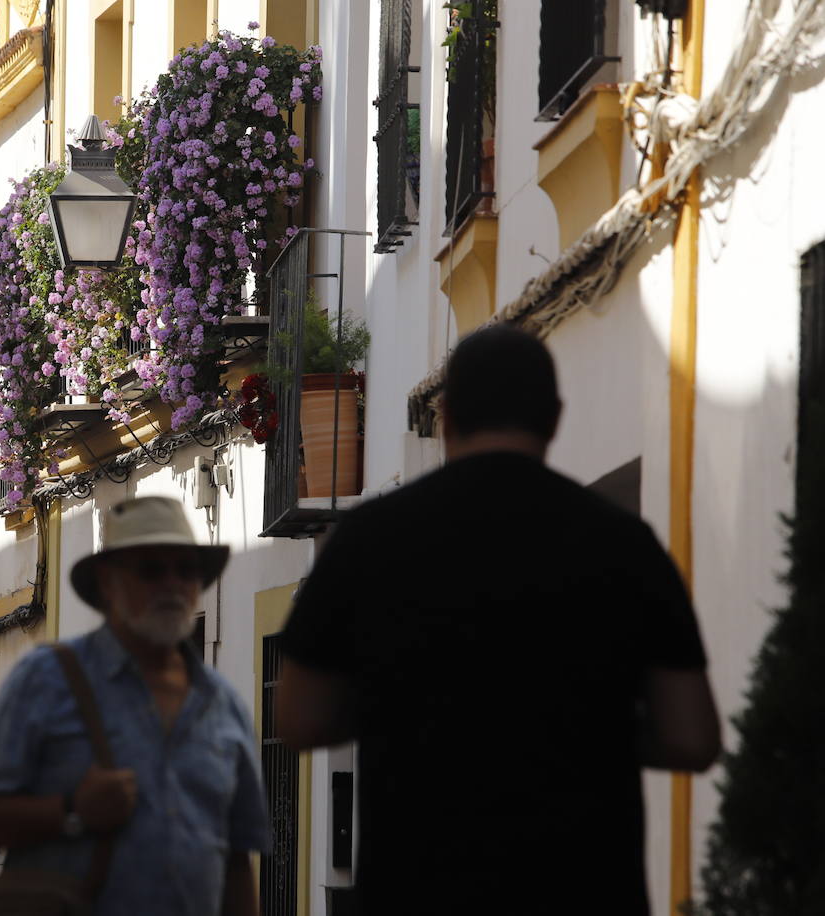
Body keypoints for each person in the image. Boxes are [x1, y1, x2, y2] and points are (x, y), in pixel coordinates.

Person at [275, 326, 721, 915]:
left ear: (448, 414)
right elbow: (691, 737)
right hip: (587, 888)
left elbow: (301, 718)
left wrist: (413, 706)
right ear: (554, 417)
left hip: (419, 890)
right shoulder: (623, 545)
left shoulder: (369, 539)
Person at [0, 496, 270, 916]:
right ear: (108, 582)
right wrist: (71, 811)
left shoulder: (224, 705)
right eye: (152, 570)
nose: (173, 584)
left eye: (186, 570)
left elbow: (235, 860)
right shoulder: (46, 680)